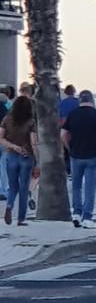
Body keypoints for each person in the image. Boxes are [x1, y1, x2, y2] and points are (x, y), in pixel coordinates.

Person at [61, 90, 96, 229]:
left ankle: (76, 213)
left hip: (76, 155)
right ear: (92, 100)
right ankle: (87, 217)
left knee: (76, 186)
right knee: (90, 187)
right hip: (93, 155)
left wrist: (69, 148)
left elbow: (63, 134)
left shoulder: (73, 114)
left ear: (80, 100)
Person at [0, 96, 38, 226]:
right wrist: (37, 160)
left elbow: (1, 138)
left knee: (13, 186)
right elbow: (34, 142)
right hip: (26, 156)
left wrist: (13, 146)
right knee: (24, 187)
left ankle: (9, 205)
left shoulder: (6, 120)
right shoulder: (31, 122)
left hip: (11, 155)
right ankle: (21, 218)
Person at [59, 84, 80, 175]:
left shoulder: (62, 103)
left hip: (64, 129)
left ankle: (68, 169)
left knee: (66, 150)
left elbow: (59, 117)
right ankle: (75, 168)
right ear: (74, 92)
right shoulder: (78, 102)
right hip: (76, 129)